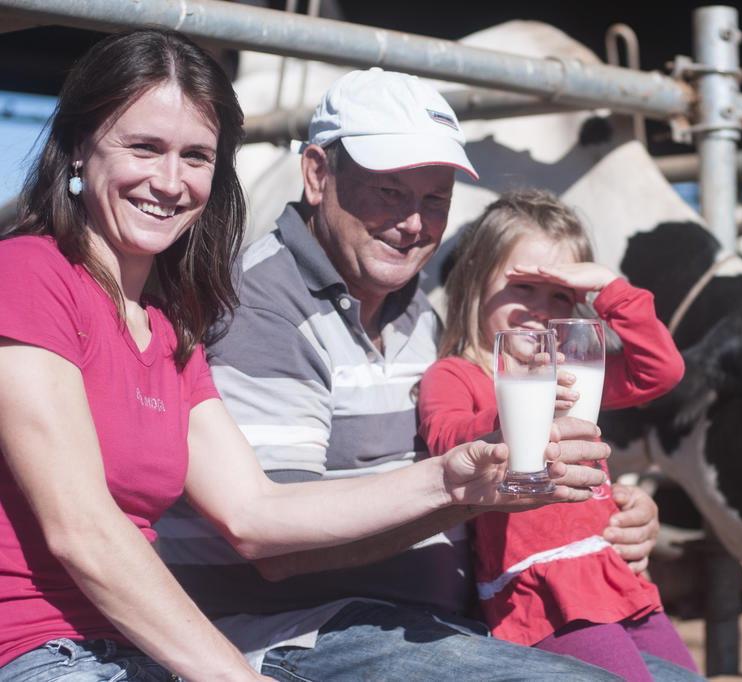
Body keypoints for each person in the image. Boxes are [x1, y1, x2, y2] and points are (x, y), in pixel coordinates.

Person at [0, 32, 604, 682]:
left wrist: (459, 479)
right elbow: (83, 531)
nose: (170, 182)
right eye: (144, 148)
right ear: (78, 148)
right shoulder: (28, 273)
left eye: (197, 156)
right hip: (49, 653)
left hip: (141, 652)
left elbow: (253, 509)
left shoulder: (167, 324)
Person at [157, 68, 668, 680]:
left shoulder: (421, 311)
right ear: (318, 175)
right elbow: (279, 545)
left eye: (434, 200)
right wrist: (467, 497)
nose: (413, 224)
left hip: (432, 624)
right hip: (299, 631)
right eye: (389, 192)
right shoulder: (264, 308)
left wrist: (609, 511)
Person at [418, 189, 700, 680]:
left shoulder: (571, 372)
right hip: (544, 589)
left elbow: (661, 371)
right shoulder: (455, 374)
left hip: (617, 574)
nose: (541, 309)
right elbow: (446, 439)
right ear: (474, 281)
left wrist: (610, 288)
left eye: (562, 295)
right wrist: (511, 418)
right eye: (524, 286)